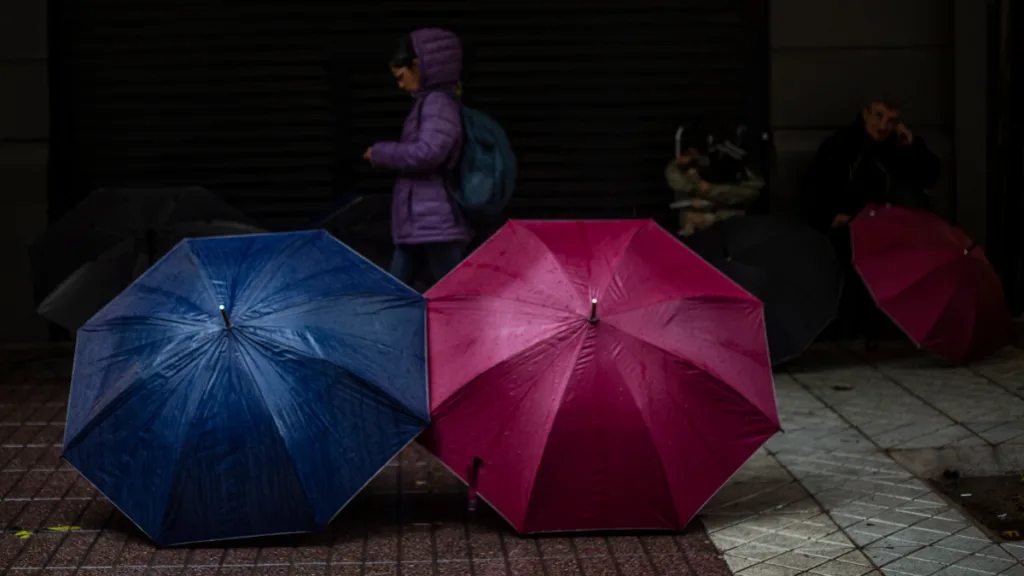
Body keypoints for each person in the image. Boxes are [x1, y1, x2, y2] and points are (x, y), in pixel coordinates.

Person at [801, 99, 941, 343]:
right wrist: (831, 217)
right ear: (865, 115)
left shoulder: (895, 148)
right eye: (879, 117)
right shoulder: (841, 146)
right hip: (849, 227)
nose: (884, 125)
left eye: (892, 120)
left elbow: (929, 176)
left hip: (887, 226)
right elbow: (817, 188)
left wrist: (913, 146)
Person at [364, 29, 469, 288]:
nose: (400, 85)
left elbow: (429, 152)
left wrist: (380, 152)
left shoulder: (437, 104)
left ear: (418, 66)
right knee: (401, 291)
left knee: (451, 292)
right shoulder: (431, 103)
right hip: (424, 220)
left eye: (402, 77)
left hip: (434, 220)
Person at [666, 147, 764, 237]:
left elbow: (707, 164)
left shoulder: (695, 165)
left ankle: (754, 191)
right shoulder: (675, 175)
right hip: (714, 205)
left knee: (737, 192)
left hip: (718, 192)